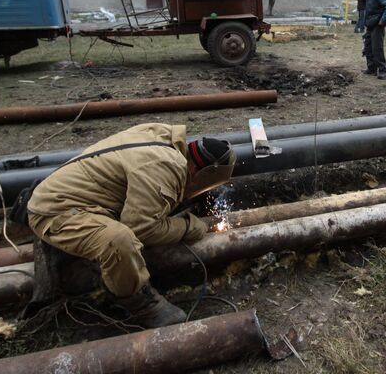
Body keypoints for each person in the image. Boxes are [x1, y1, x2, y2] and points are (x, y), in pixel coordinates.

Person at [26, 123, 236, 328]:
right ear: (201, 172)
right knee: (120, 240)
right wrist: (190, 227)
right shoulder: (165, 166)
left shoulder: (162, 137)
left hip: (75, 197)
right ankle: (138, 302)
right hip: (55, 211)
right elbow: (142, 228)